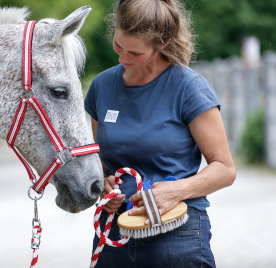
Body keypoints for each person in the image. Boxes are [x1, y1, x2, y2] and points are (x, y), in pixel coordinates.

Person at [84, 0, 236, 267]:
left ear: (163, 42)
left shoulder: (189, 88)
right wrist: (105, 184)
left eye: (135, 53)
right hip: (116, 231)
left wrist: (176, 190)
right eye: (118, 45)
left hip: (179, 233)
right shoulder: (102, 86)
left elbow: (225, 168)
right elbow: (103, 161)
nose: (122, 59)